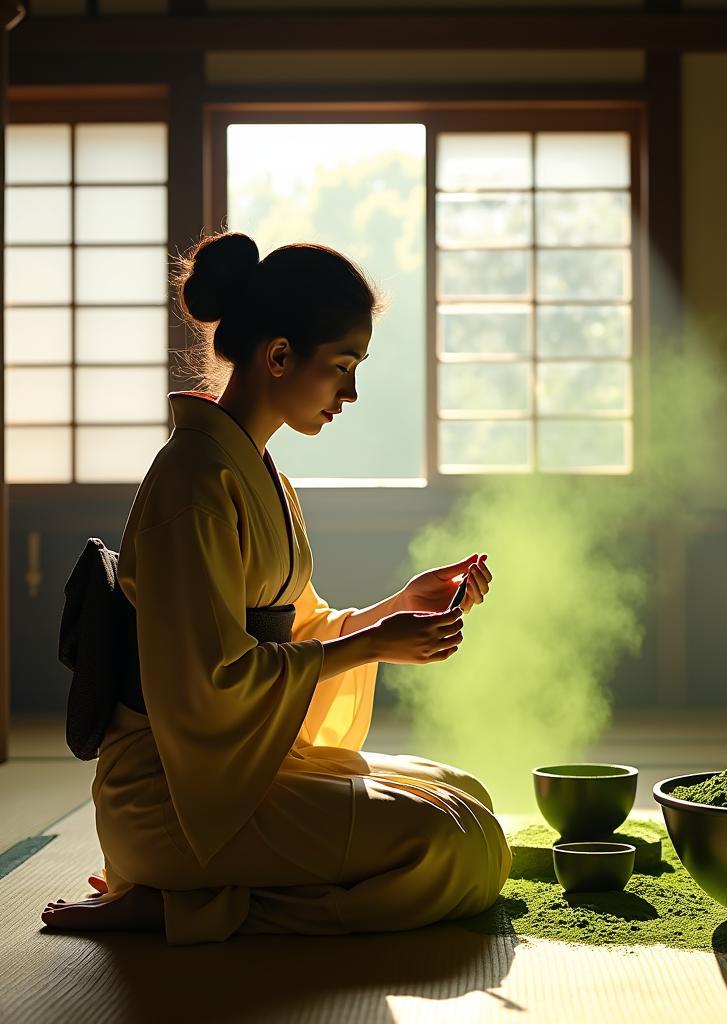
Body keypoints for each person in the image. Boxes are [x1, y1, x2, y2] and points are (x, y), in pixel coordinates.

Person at [40, 231, 510, 945]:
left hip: (235, 770)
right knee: (463, 848)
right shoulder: (194, 482)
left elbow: (294, 633)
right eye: (341, 366)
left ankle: (191, 901)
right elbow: (210, 685)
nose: (350, 392)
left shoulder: (258, 471)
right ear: (280, 356)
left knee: (467, 798)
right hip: (177, 796)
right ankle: (186, 905)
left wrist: (396, 609)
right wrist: (375, 646)